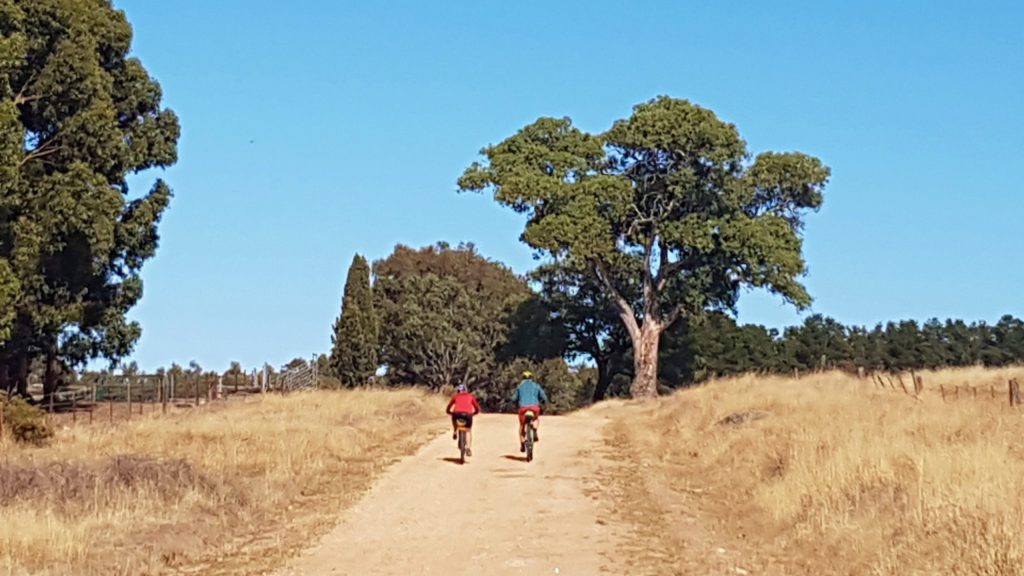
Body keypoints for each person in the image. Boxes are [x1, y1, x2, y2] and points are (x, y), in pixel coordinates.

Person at [511, 371, 548, 453]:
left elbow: (513, 399)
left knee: (521, 426)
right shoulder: (536, 386)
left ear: (523, 378)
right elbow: (544, 397)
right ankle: (534, 430)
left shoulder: (519, 387)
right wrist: (543, 401)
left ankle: (522, 443)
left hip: (523, 409)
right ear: (531, 378)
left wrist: (514, 403)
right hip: (534, 408)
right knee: (536, 419)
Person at [446, 384, 481, 456]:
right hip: (468, 414)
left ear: (458, 391)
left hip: (457, 414)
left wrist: (449, 412)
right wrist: (474, 413)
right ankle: (468, 448)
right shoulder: (470, 396)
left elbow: (449, 407)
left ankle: (455, 430)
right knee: (468, 431)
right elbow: (477, 408)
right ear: (466, 390)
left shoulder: (456, 396)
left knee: (454, 417)